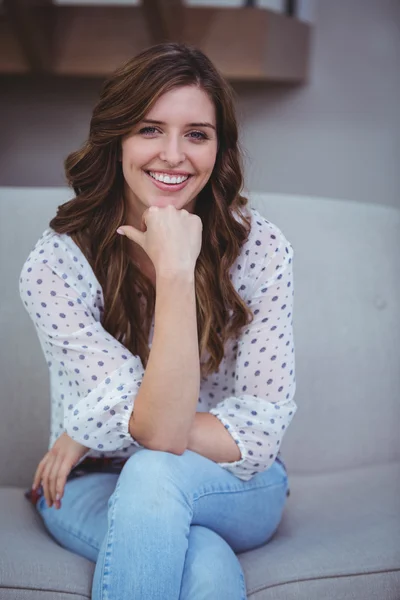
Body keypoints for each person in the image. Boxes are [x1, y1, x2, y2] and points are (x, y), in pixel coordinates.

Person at [19, 41, 297, 600]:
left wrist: (88, 430)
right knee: (203, 560)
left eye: (196, 134)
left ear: (219, 149)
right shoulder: (56, 265)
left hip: (233, 481)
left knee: (153, 468)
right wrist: (175, 274)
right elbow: (150, 424)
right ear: (116, 137)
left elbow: (259, 427)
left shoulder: (258, 247)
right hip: (93, 484)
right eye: (149, 129)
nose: (173, 154)